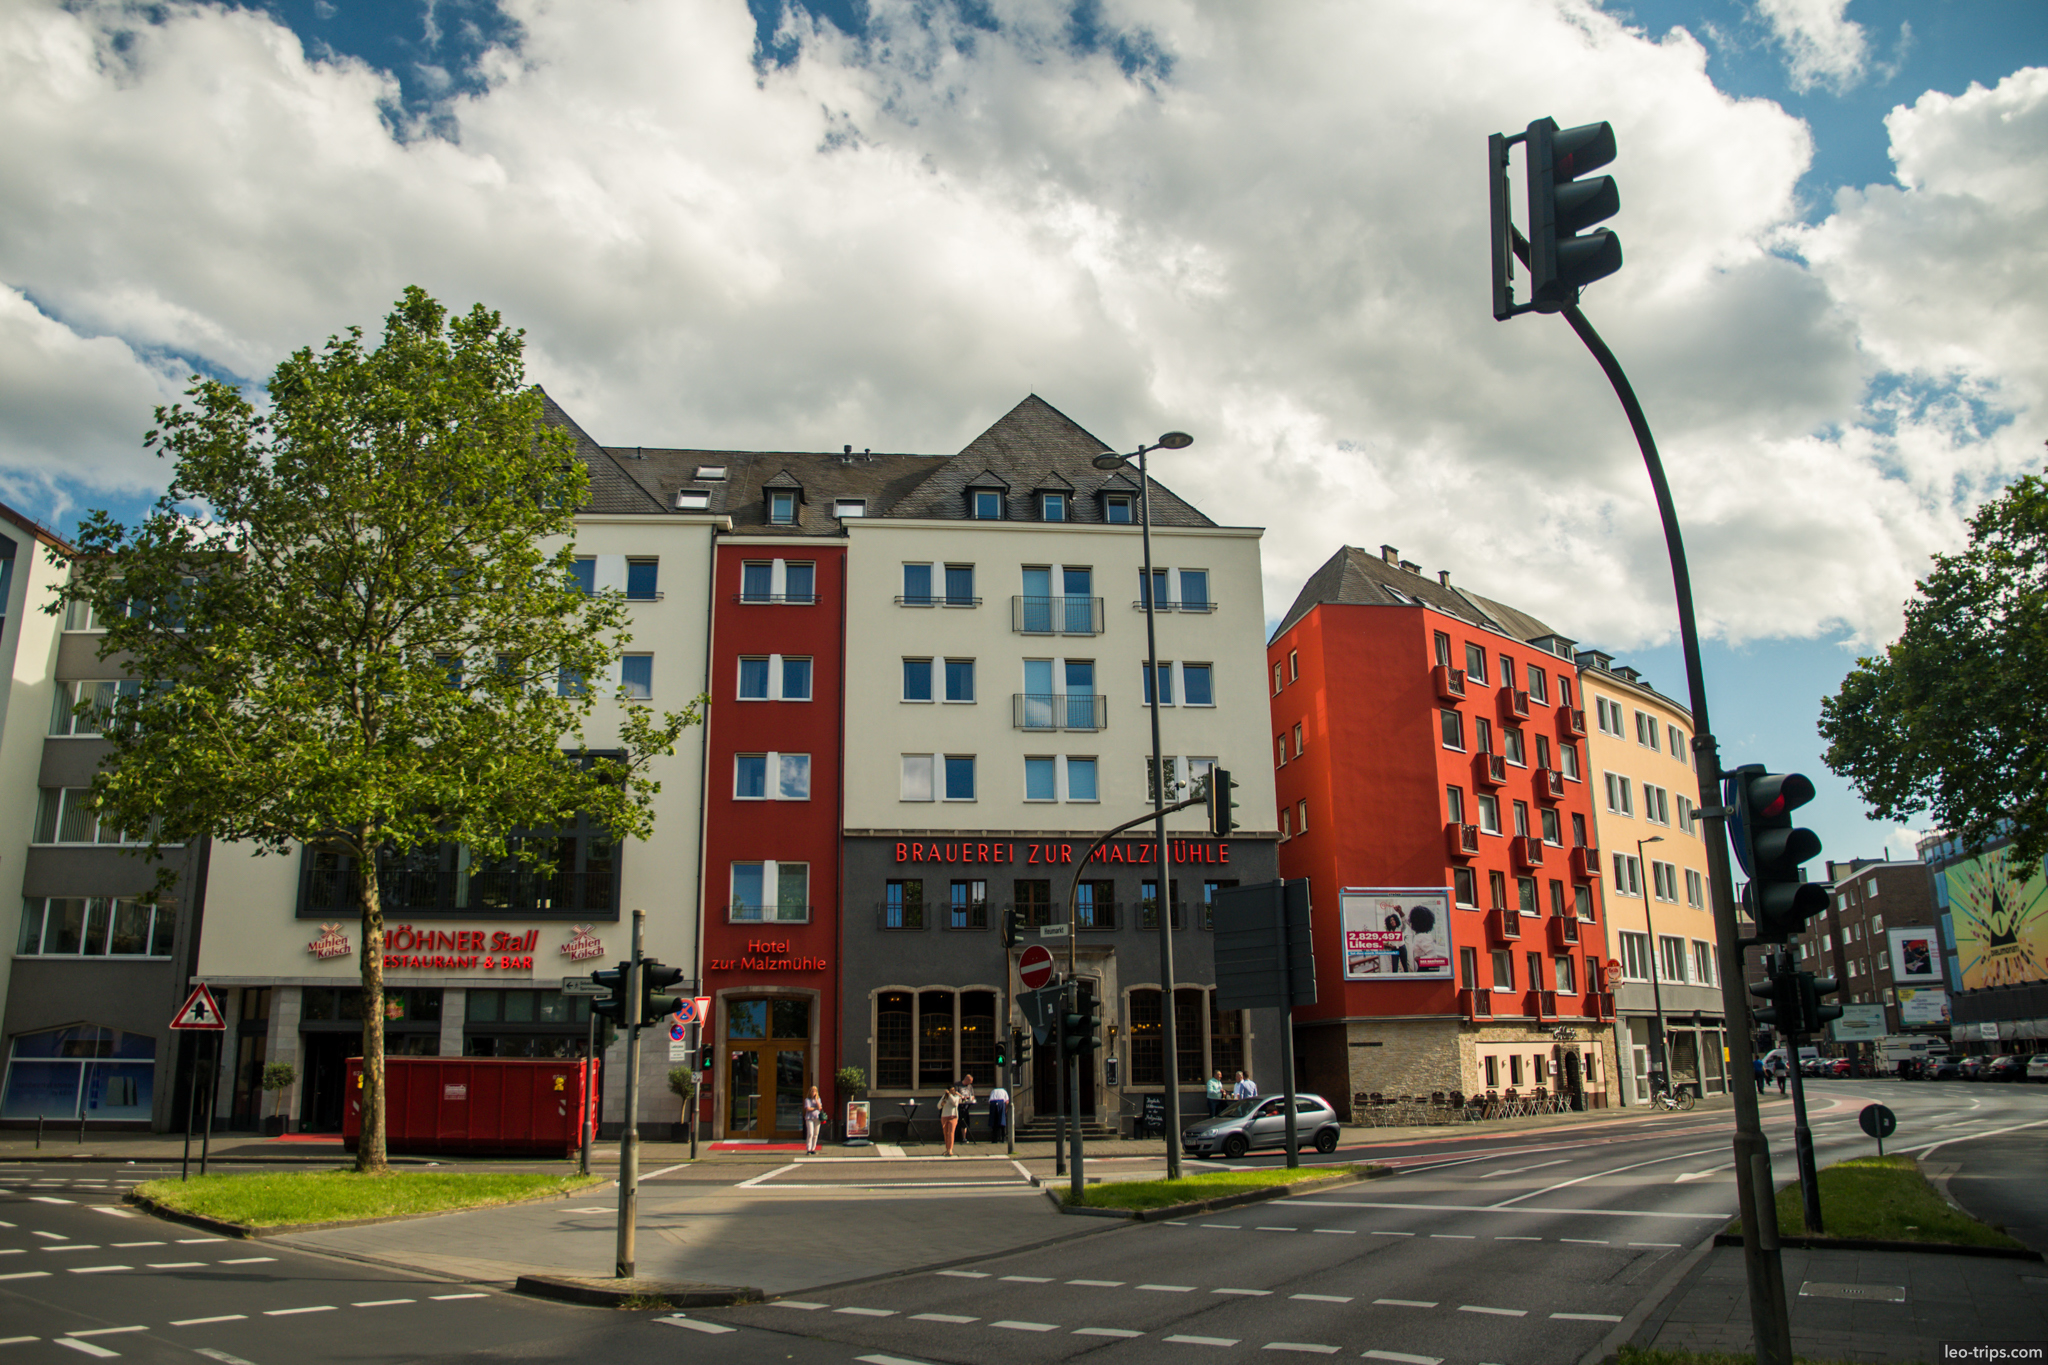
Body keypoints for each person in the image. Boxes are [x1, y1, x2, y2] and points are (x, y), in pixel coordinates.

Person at [938, 1082, 962, 1156]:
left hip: (953, 1116)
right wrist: (942, 1103)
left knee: (951, 1133)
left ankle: (950, 1150)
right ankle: (947, 1149)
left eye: (953, 1090)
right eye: (950, 1090)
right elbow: (938, 1106)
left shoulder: (956, 1097)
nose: (952, 1092)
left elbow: (955, 1103)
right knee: (946, 1133)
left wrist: (950, 1095)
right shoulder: (944, 1097)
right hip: (945, 1116)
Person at [802, 1084, 824, 1155]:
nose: (813, 1093)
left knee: (816, 1134)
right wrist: (815, 1108)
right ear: (810, 1092)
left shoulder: (818, 1099)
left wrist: (816, 1100)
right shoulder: (807, 1100)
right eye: (812, 1091)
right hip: (809, 1118)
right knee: (810, 1133)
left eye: (814, 1091)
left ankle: (813, 1148)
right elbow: (808, 1108)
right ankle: (808, 1149)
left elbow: (820, 1107)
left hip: (817, 1118)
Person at [957, 1074, 976, 1146]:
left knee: (965, 1122)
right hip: (959, 1106)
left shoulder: (970, 1087)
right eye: (970, 1081)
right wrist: (962, 1097)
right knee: (961, 1122)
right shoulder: (958, 1085)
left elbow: (973, 1095)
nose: (970, 1083)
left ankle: (964, 1137)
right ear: (966, 1080)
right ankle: (962, 1137)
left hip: (967, 1106)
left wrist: (971, 1098)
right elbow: (955, 1092)